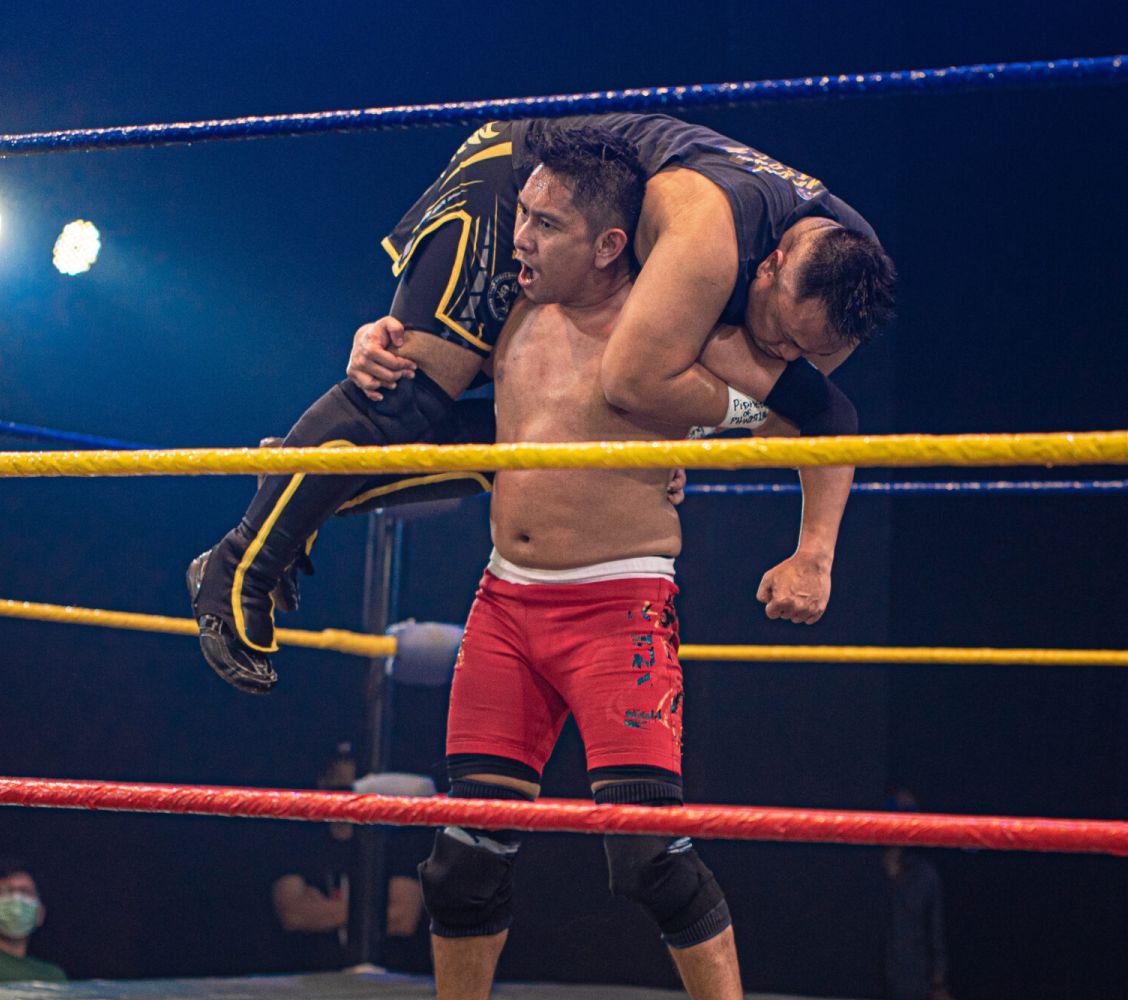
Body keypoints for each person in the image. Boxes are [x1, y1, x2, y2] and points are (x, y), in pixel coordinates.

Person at [189, 112, 895, 695]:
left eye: (807, 349)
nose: (783, 352)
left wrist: (814, 556)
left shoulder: (842, 281)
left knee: (537, 446)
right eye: (781, 331)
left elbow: (825, 415)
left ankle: (298, 486)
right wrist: (723, 415)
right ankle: (238, 568)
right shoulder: (705, 239)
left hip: (595, 235)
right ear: (769, 266)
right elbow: (638, 384)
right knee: (405, 393)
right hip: (534, 185)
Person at [374, 128, 774, 1000]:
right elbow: (420, 353)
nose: (520, 237)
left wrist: (716, 436)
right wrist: (375, 337)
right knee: (465, 852)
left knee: (651, 856)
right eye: (522, 215)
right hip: (504, 606)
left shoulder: (667, 328)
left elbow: (788, 400)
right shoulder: (509, 308)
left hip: (618, 607)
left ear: (608, 245)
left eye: (546, 224)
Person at [272, 748, 427, 972]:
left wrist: (323, 910)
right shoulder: (302, 844)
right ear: (322, 784)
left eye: (352, 789)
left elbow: (403, 918)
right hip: (316, 976)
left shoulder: (392, 843)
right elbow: (293, 915)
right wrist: (378, 909)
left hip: (388, 974)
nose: (346, 798)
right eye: (339, 787)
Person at [879, 789, 955, 1000]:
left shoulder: (925, 875)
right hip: (865, 985)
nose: (900, 822)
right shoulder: (862, 869)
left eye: (908, 813)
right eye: (895, 811)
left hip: (913, 982)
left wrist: (938, 982)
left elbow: (935, 931)